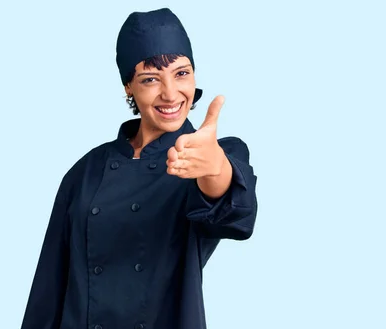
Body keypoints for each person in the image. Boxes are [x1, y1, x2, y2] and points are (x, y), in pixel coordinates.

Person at [20, 7, 258, 329]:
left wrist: (214, 167)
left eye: (182, 73)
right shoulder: (85, 173)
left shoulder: (210, 154)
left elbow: (232, 209)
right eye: (150, 79)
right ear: (128, 86)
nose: (171, 93)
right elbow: (47, 291)